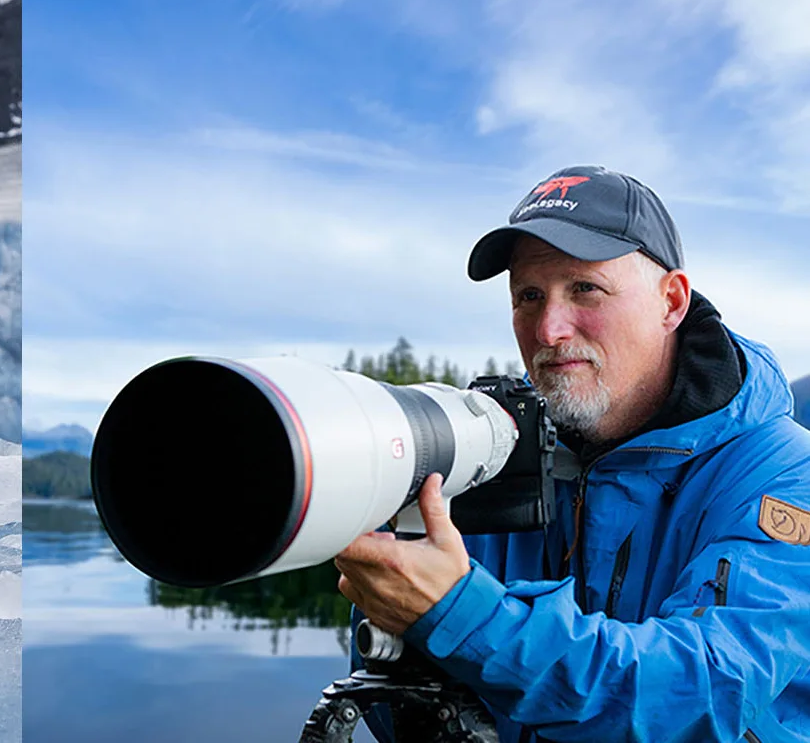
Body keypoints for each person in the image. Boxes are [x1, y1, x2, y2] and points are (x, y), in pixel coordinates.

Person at [336, 166, 810, 742]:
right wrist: (396, 606)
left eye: (585, 288)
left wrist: (462, 615)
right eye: (529, 296)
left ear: (671, 302)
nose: (549, 329)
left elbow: (706, 690)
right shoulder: (488, 456)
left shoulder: (784, 474)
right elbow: (396, 711)